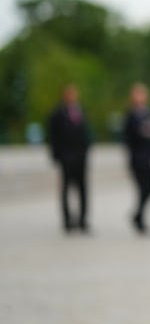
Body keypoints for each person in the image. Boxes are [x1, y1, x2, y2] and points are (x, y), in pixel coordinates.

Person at [47, 84, 92, 234]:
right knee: (66, 189)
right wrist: (56, 156)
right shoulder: (58, 113)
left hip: (81, 157)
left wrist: (86, 151)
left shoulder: (81, 111)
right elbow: (53, 136)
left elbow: (86, 133)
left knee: (83, 189)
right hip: (66, 157)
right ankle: (67, 220)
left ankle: (82, 220)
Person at [123, 83, 150, 234]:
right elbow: (130, 138)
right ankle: (139, 218)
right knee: (142, 188)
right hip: (137, 158)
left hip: (148, 157)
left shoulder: (148, 113)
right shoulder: (131, 115)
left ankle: (138, 215)